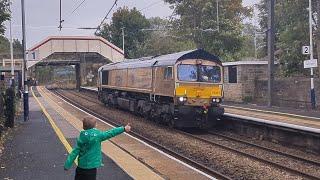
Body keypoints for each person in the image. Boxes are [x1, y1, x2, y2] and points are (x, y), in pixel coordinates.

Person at [64, 116, 131, 180]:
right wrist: (123, 129)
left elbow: (74, 152)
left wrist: (67, 165)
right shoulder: (98, 136)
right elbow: (111, 133)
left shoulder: (81, 137)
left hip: (81, 167)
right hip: (91, 168)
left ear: (83, 127)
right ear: (95, 126)